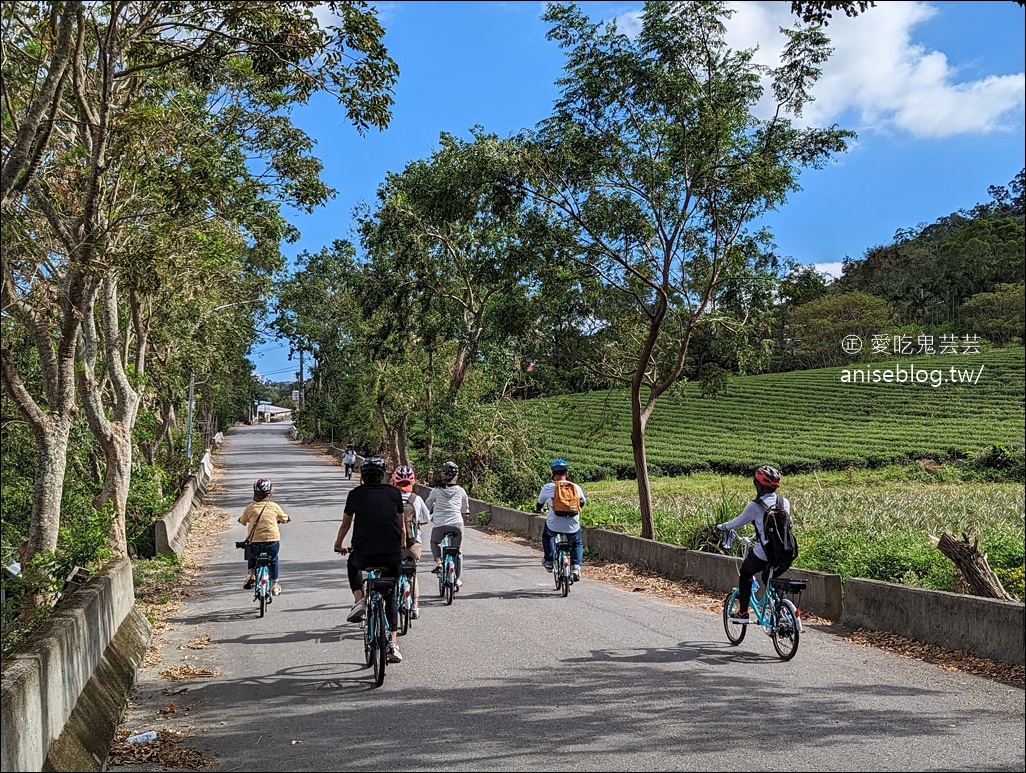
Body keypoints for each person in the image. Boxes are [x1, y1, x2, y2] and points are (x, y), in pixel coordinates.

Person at [334, 457, 406, 663]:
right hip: (391, 554)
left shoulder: (355, 494)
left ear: (362, 477)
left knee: (353, 564)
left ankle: (359, 600)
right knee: (391, 595)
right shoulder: (394, 494)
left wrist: (339, 544)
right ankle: (393, 643)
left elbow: (346, 525)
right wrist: (401, 544)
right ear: (383, 476)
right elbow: (400, 526)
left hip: (364, 554)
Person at [716, 464, 791, 624]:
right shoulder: (785, 502)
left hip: (765, 553)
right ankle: (781, 608)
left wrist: (722, 527)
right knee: (768, 578)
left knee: (746, 572)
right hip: (786, 553)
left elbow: (737, 523)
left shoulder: (755, 506)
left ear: (758, 485)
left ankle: (743, 613)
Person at [535, 459, 586, 581]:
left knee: (547, 536)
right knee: (576, 543)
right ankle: (576, 567)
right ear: (566, 474)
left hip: (554, 524)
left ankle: (548, 561)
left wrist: (539, 510)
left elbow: (539, 504)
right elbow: (582, 502)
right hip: (572, 524)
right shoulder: (575, 487)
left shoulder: (548, 487)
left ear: (553, 474)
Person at [390, 464, 431, 619]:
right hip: (413, 544)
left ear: (394, 481)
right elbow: (426, 519)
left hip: (393, 545)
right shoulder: (417, 499)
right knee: (412, 573)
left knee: (391, 572)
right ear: (412, 482)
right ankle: (414, 606)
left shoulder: (390, 498)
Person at [239, 478, 291, 596]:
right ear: (269, 493)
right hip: (272, 542)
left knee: (252, 556)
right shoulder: (274, 507)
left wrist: (243, 520)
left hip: (255, 542)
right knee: (273, 559)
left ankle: (251, 573)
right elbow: (284, 518)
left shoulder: (250, 508)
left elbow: (243, 521)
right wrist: (287, 519)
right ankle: (275, 584)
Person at [425, 461, 469, 588]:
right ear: (456, 476)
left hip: (440, 524)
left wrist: (429, 511)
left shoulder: (436, 490)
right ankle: (457, 579)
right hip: (457, 524)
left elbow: (427, 505)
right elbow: (465, 509)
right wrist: (464, 512)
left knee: (434, 542)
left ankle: (438, 560)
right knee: (457, 551)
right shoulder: (461, 491)